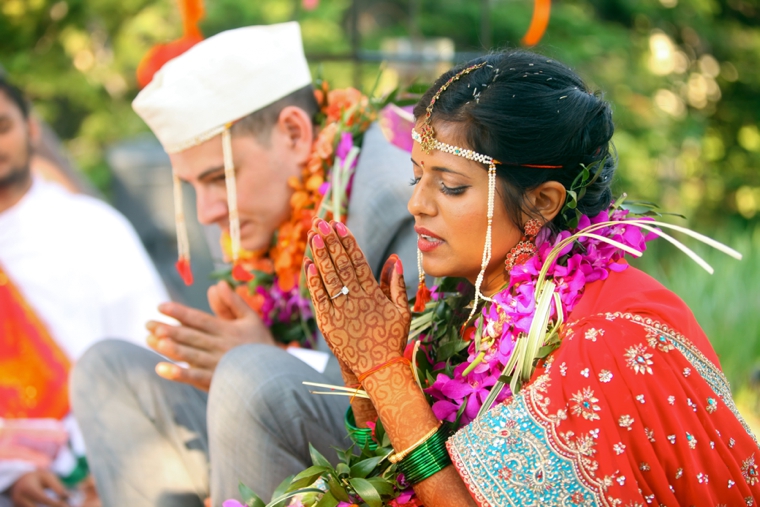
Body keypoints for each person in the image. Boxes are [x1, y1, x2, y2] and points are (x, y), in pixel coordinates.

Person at [304, 50, 760, 506]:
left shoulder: (607, 343)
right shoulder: (471, 305)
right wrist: (360, 366)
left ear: (542, 202)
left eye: (450, 186)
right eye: (417, 177)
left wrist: (384, 372)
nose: (417, 204)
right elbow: (395, 477)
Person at [70, 22, 418, 507]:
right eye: (191, 186)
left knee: (248, 373)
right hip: (299, 424)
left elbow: (425, 387)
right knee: (106, 370)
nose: (207, 212)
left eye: (220, 178)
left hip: (388, 446)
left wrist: (270, 353)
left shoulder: (392, 199)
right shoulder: (260, 208)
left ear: (295, 133)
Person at [0, 77, 169, 506]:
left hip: (111, 466)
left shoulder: (92, 227)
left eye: (2, 127)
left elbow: (149, 352)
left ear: (32, 129)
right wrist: (12, 474)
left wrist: (109, 459)